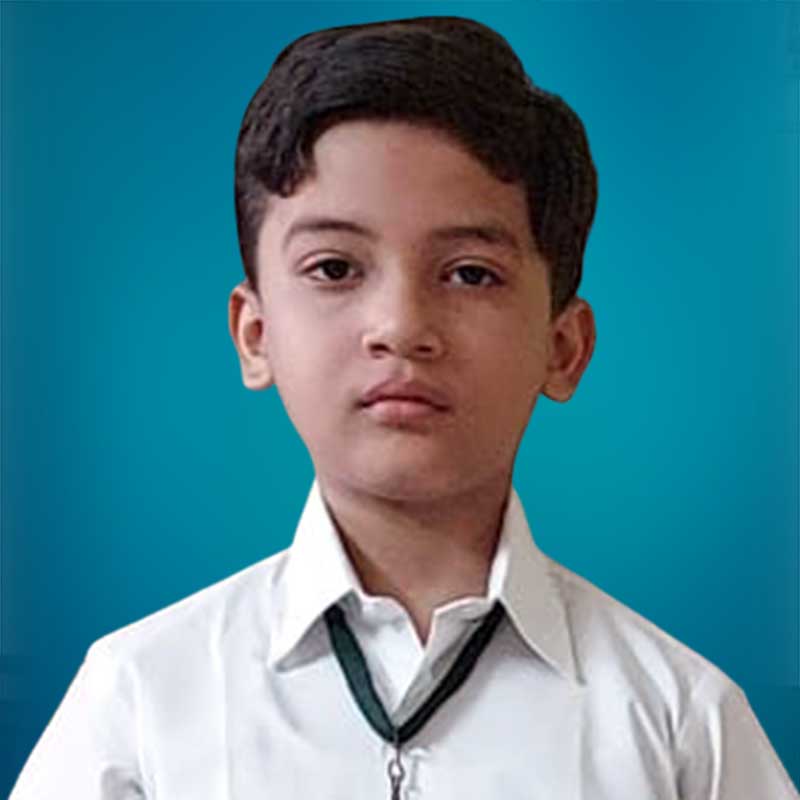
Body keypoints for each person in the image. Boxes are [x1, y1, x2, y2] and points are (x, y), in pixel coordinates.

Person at [10, 16, 798, 799]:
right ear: (255, 335)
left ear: (563, 348)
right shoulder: (139, 707)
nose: (400, 326)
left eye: (470, 274)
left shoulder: (681, 727)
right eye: (334, 268)